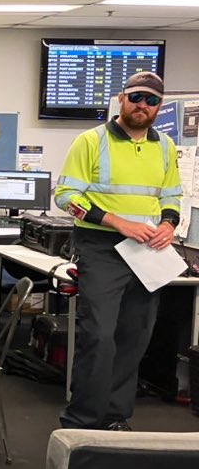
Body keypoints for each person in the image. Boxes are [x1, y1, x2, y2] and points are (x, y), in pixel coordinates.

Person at [53, 71, 181, 431]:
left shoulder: (166, 147)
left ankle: (114, 416)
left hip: (147, 251)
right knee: (100, 335)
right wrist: (117, 222)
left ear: (159, 107)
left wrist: (169, 224)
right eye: (137, 97)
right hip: (103, 247)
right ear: (122, 98)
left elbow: (171, 196)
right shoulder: (90, 141)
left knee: (134, 335)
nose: (143, 106)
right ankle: (81, 420)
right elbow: (67, 198)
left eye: (152, 100)